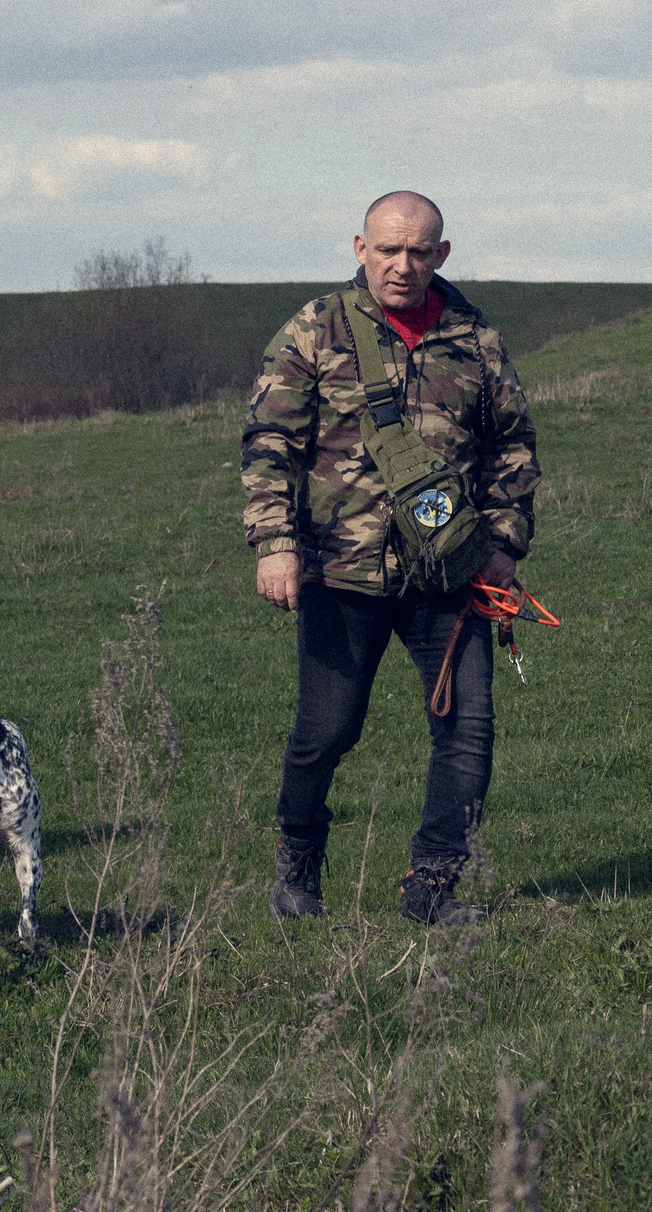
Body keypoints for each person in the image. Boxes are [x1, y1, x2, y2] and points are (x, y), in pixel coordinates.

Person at [241, 191, 539, 925]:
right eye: (387, 249)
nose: (402, 265)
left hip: (448, 576)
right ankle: (298, 861)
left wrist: (503, 543)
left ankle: (431, 887)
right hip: (339, 570)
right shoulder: (315, 329)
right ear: (359, 248)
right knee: (326, 733)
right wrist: (275, 542)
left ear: (441, 254)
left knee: (468, 732)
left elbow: (512, 447)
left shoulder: (475, 339)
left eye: (418, 251)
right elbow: (270, 441)